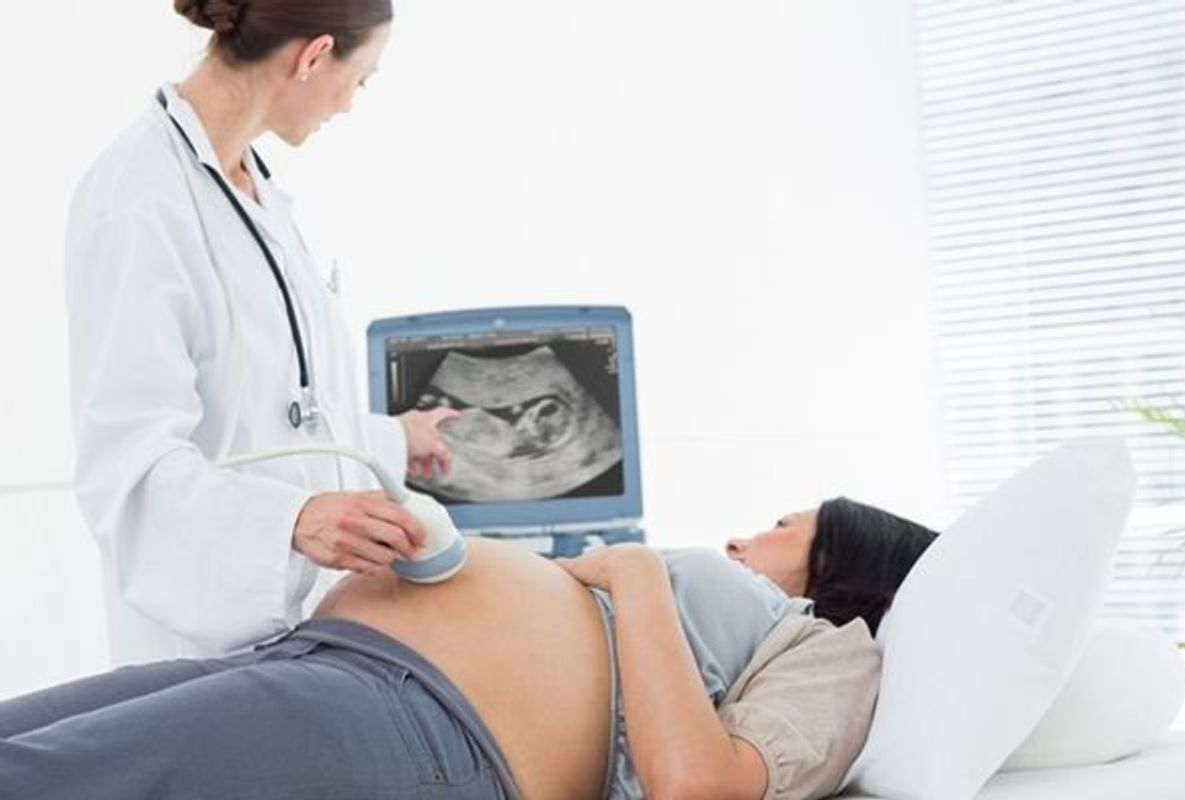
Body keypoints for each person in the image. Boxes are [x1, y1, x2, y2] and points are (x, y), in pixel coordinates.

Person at [0, 498, 939, 800]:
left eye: (783, 527)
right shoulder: (725, 622)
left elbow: (696, 786)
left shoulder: (834, 652)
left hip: (428, 727)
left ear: (838, 568)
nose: (745, 539)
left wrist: (641, 577)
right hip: (313, 663)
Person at [64, 0, 458, 665]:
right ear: (311, 57)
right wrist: (292, 523)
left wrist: (396, 439)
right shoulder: (135, 204)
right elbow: (129, 474)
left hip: (315, 639)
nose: (349, 107)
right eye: (358, 80)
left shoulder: (250, 191)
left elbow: (279, 418)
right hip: (204, 660)